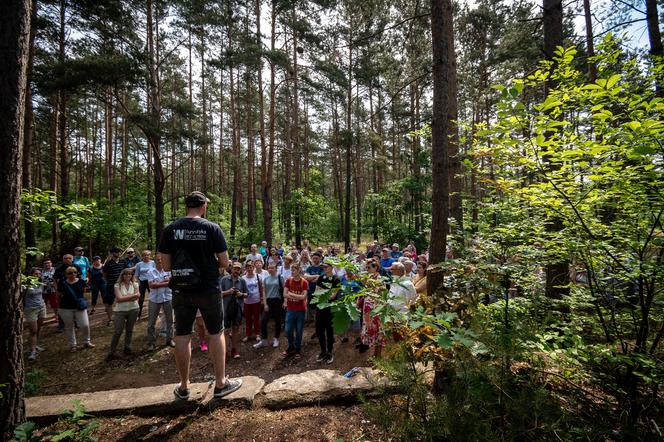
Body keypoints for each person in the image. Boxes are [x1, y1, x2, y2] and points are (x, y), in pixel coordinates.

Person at [159, 191, 242, 399]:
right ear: (203, 206)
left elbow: (166, 265)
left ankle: (184, 386)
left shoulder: (170, 229)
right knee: (216, 332)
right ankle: (221, 384)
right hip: (208, 288)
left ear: (186, 206)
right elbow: (224, 262)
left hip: (181, 289)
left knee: (182, 335)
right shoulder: (212, 228)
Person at [59, 266, 95, 351]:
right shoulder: (62, 283)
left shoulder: (81, 282)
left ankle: (87, 342)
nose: (73, 274)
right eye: (70, 273)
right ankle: (72, 345)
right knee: (69, 327)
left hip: (80, 307)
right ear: (66, 274)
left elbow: (86, 292)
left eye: (75, 272)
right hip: (66, 307)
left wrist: (85, 302)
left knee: (85, 325)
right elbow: (59, 295)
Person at [106, 268, 140, 360]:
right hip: (120, 310)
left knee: (130, 330)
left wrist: (123, 298)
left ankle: (127, 347)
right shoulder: (117, 285)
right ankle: (111, 351)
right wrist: (132, 296)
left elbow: (137, 296)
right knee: (118, 331)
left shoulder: (135, 284)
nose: (128, 276)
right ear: (122, 275)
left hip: (134, 309)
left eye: (130, 274)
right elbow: (119, 298)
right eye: (126, 274)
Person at [220, 261, 248, 359]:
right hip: (226, 308)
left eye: (238, 269)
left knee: (235, 329)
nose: (236, 270)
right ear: (231, 269)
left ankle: (234, 350)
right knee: (226, 331)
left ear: (240, 270)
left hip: (238, 308)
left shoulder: (242, 281)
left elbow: (247, 294)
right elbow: (218, 294)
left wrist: (241, 294)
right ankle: (225, 351)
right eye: (235, 268)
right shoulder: (224, 280)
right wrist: (228, 292)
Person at [146, 252, 174, 350]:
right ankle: (151, 343)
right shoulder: (150, 272)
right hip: (154, 299)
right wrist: (166, 282)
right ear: (155, 260)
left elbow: (172, 282)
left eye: (162, 259)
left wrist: (158, 283)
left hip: (168, 297)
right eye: (158, 260)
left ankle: (169, 339)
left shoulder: (169, 271)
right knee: (151, 323)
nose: (160, 261)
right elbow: (151, 285)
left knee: (170, 320)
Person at [315, 261, 340, 364]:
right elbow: (317, 292)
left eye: (326, 266)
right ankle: (323, 351)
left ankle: (329, 352)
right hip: (320, 308)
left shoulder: (336, 279)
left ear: (331, 267)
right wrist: (326, 292)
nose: (324, 268)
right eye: (323, 266)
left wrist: (323, 292)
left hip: (330, 309)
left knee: (329, 331)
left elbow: (333, 296)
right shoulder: (321, 278)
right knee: (319, 330)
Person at [282, 264, 309, 359]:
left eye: (294, 270)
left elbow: (303, 297)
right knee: (288, 330)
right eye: (291, 270)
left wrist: (291, 294)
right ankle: (291, 346)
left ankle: (297, 349)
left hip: (301, 310)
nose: (292, 272)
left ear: (298, 270)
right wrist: (296, 296)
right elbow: (285, 294)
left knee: (299, 330)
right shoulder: (288, 281)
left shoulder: (304, 282)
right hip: (290, 309)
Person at [254, 263, 283, 349]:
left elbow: (284, 288)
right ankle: (264, 340)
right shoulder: (266, 279)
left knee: (278, 320)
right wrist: (265, 304)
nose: (270, 269)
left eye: (272, 268)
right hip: (269, 301)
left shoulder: (280, 278)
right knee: (263, 320)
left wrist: (285, 301)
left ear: (275, 269)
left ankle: (276, 338)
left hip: (277, 300)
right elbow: (264, 292)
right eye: (269, 268)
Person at [360, 261, 386, 358]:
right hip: (367, 310)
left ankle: (378, 356)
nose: (367, 269)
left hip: (375, 310)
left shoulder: (380, 279)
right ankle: (375, 355)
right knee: (370, 331)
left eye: (369, 267)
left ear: (376, 268)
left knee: (377, 331)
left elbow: (382, 293)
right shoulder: (369, 278)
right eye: (366, 267)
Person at [54, 254, 83, 332]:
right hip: (62, 291)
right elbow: (55, 280)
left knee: (76, 306)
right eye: (65, 258)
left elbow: (80, 279)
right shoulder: (59, 269)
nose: (67, 259)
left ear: (72, 259)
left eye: (69, 258)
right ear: (63, 259)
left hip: (75, 291)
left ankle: (77, 323)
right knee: (61, 308)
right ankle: (61, 325)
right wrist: (57, 290)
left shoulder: (76, 267)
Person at [23, 268, 47, 361]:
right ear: (31, 274)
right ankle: (32, 351)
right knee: (33, 330)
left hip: (41, 307)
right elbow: (21, 297)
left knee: (38, 329)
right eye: (35, 274)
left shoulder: (41, 283)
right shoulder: (26, 285)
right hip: (31, 309)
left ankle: (35, 345)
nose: (37, 275)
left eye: (39, 274)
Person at [103, 247, 126, 325]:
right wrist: (109, 282)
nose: (118, 253)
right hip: (111, 285)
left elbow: (126, 272)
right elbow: (104, 274)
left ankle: (123, 318)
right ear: (112, 253)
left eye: (119, 252)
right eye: (116, 252)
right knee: (110, 302)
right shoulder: (108, 263)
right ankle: (110, 319)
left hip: (122, 285)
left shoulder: (123, 261)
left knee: (123, 301)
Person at [242, 260, 263, 343]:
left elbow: (261, 288)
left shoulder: (258, 276)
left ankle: (257, 334)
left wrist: (261, 298)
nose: (249, 269)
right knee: (247, 318)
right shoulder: (243, 278)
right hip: (247, 301)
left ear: (253, 268)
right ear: (246, 268)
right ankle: (248, 334)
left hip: (256, 300)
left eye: (251, 267)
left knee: (256, 317)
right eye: (248, 267)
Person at [134, 250, 155, 318]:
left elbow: (155, 272)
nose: (146, 256)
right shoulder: (139, 264)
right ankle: (138, 314)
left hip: (151, 281)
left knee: (153, 297)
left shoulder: (153, 263)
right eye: (144, 255)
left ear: (150, 256)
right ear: (142, 256)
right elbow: (136, 275)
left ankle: (154, 313)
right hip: (142, 282)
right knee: (141, 298)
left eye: (147, 255)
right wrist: (138, 282)